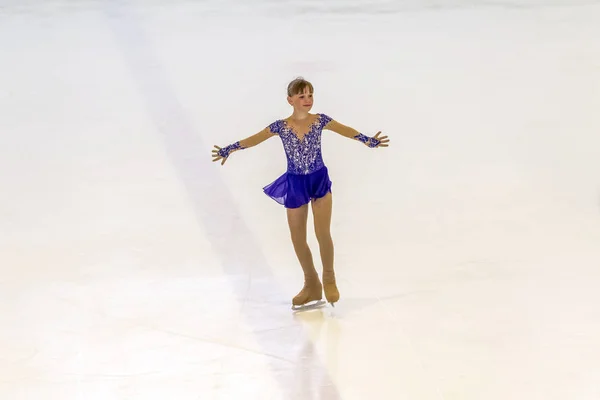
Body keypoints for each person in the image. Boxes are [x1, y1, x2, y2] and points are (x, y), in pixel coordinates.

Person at [212, 77, 389, 309]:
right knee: (297, 238)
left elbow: (346, 130)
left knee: (322, 233)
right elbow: (255, 139)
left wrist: (369, 141)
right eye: (302, 96)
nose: (308, 100)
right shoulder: (280, 126)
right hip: (295, 183)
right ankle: (311, 283)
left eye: (310, 95)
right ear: (290, 100)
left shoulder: (320, 120)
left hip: (318, 180)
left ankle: (329, 278)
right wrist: (229, 149)